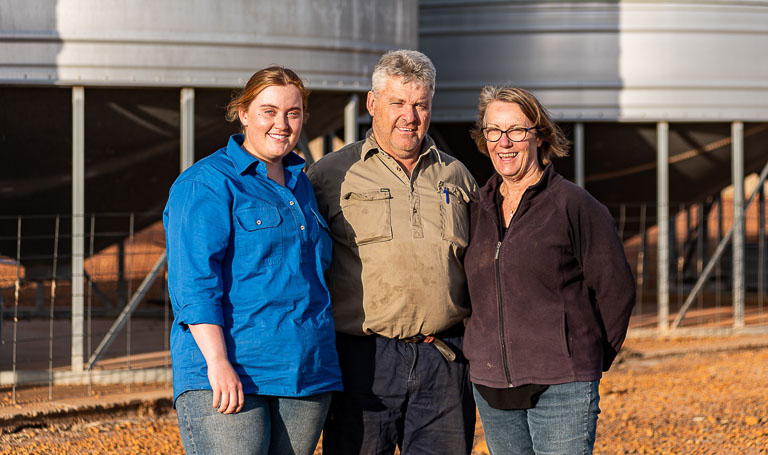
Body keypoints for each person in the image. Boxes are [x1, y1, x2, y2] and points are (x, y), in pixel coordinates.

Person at [307, 49, 478, 455]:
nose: (410, 116)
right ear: (372, 103)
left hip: (445, 359)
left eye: (420, 104)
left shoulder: (457, 175)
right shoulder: (331, 175)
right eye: (397, 102)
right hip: (363, 360)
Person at [163, 66, 342, 455]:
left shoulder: (303, 185)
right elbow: (194, 283)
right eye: (269, 111)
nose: (282, 123)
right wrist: (217, 363)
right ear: (243, 113)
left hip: (305, 374)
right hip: (233, 370)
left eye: (293, 113)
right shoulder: (206, 183)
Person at [463, 86, 635, 455]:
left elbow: (616, 288)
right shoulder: (477, 207)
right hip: (493, 389)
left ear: (539, 135)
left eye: (517, 131)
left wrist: (587, 356)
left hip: (561, 385)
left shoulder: (573, 204)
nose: (504, 142)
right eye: (494, 131)